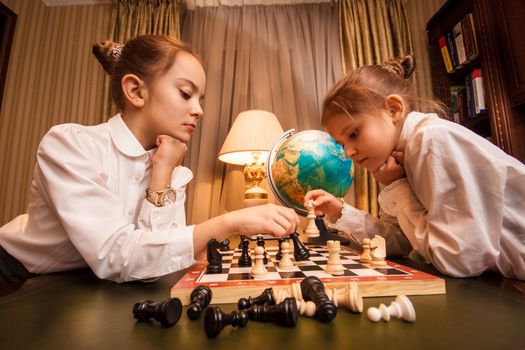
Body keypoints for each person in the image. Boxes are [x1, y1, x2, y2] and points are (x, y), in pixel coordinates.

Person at [0, 35, 298, 284]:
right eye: (185, 94)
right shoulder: (70, 145)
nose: (198, 110)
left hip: (87, 284)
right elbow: (115, 256)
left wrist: (163, 170)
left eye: (200, 99)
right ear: (135, 91)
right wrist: (230, 222)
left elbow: (151, 268)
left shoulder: (171, 165)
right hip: (18, 277)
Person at [304, 55, 525, 280]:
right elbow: (399, 242)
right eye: (341, 144)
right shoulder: (396, 159)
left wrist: (397, 187)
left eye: (353, 133)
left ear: (393, 109)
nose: (348, 152)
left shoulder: (431, 140)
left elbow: (461, 259)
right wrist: (340, 212)